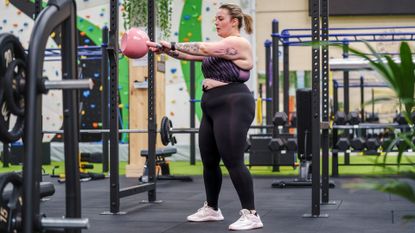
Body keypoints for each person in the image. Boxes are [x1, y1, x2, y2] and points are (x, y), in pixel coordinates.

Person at [147, 3, 263, 231]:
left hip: (233, 103)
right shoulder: (219, 47)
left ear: (234, 21)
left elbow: (203, 48)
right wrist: (164, 50)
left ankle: (252, 214)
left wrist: (170, 43)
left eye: (220, 18)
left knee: (233, 160)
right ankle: (212, 208)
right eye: (216, 19)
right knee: (209, 160)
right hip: (212, 105)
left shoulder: (238, 43)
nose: (216, 22)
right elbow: (190, 55)